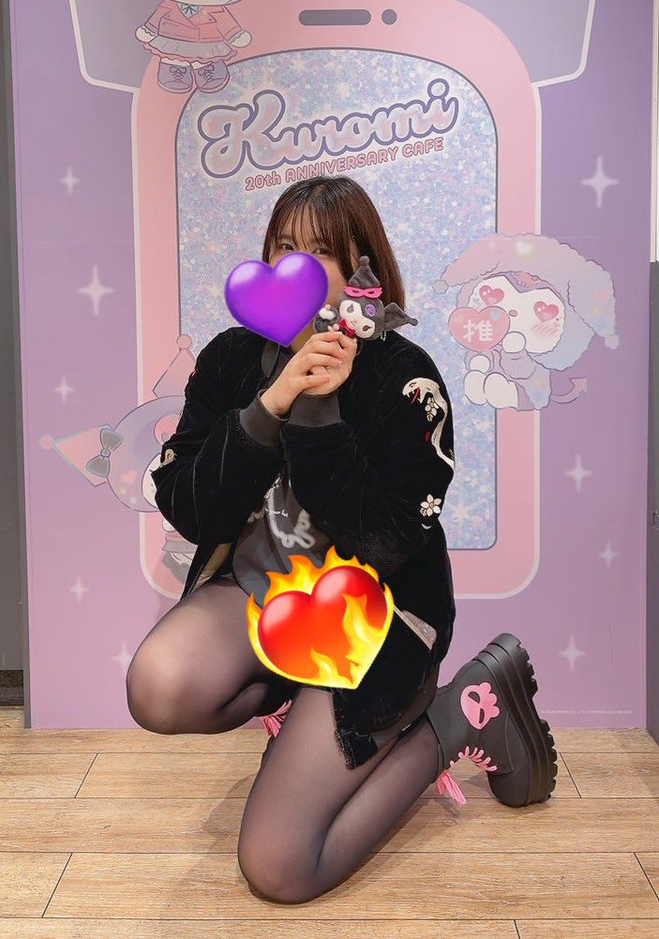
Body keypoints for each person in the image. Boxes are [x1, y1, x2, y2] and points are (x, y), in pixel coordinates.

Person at [126, 175, 557, 905]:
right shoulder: (231, 360)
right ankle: (297, 698)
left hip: (375, 622)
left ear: (361, 266)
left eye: (320, 250)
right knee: (159, 686)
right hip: (264, 598)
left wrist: (319, 412)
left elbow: (387, 541)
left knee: (279, 869)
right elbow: (192, 510)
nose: (294, 264)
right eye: (283, 246)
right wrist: (269, 406)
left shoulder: (404, 377)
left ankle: (458, 714)